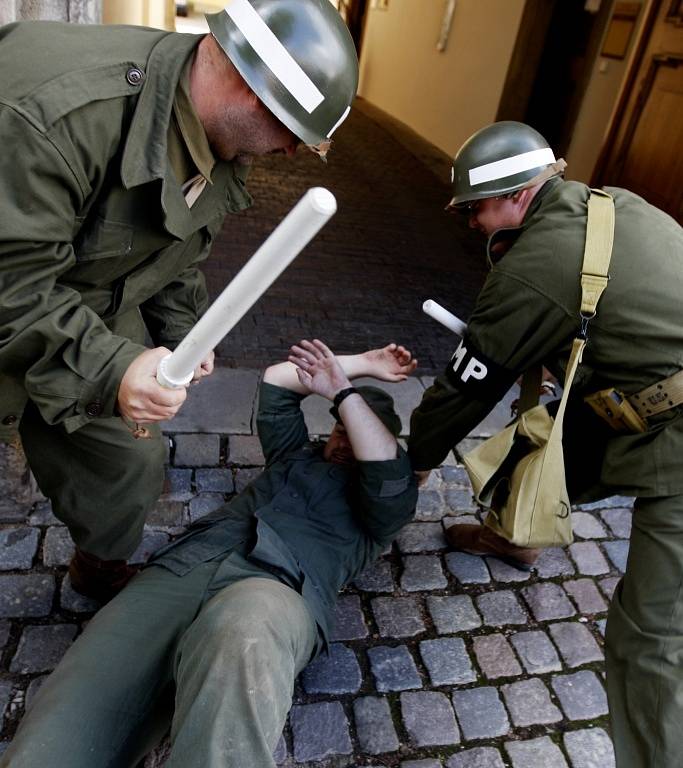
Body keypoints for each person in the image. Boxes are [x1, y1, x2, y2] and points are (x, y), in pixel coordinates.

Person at [0, 0, 359, 600]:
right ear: (250, 85)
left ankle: (99, 567)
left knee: (128, 467)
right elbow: (12, 285)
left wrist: (185, 328)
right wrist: (116, 369)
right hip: (19, 292)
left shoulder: (215, 136)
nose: (293, 155)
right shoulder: (55, 120)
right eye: (294, 135)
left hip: (76, 305)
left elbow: (176, 249)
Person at [0, 338, 418, 768]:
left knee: (246, 631)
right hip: (184, 569)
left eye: (357, 431)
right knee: (61, 723)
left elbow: (384, 463)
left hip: (275, 588)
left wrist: (345, 395)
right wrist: (361, 365)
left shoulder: (386, 503)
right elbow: (277, 381)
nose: (346, 442)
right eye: (340, 429)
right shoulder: (295, 454)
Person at [407, 120, 683, 768]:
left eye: (474, 210)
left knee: (650, 640)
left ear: (514, 197)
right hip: (638, 396)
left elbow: (463, 387)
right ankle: (515, 534)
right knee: (529, 450)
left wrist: (413, 461)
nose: (472, 225)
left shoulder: (537, 267)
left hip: (673, 435)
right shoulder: (606, 201)